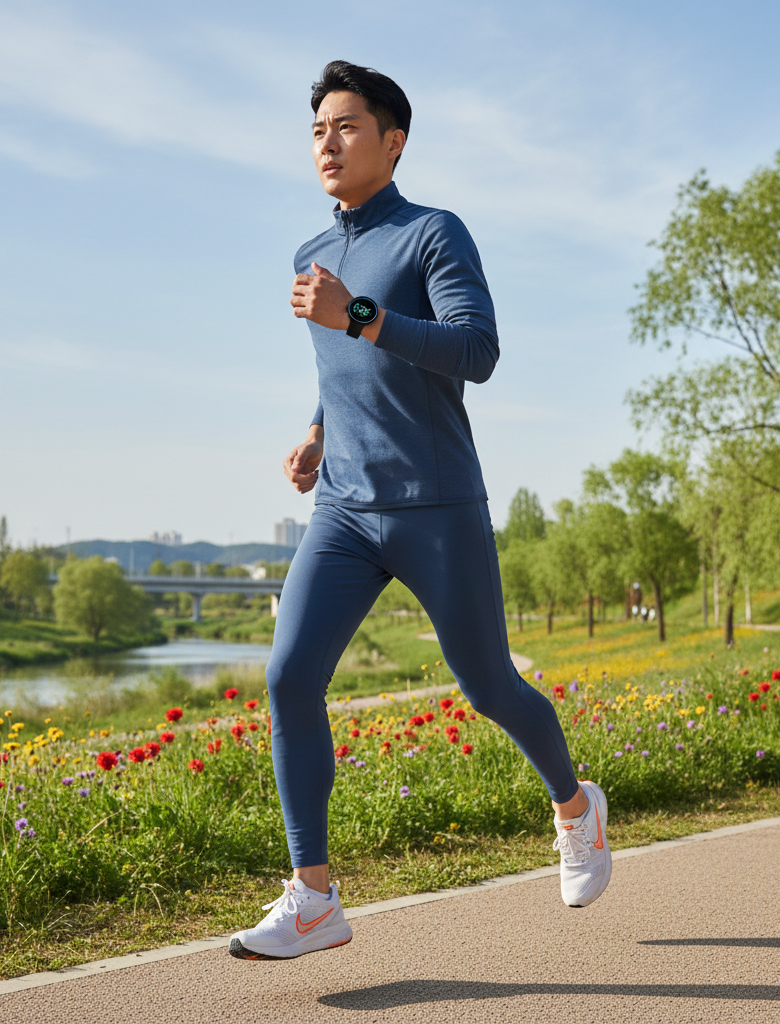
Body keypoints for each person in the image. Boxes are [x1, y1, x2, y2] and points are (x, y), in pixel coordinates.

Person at [228, 60, 611, 962]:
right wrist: (319, 432)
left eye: (347, 126)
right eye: (317, 128)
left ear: (393, 142)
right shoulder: (308, 256)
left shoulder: (434, 233)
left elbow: (475, 351)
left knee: (487, 686)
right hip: (346, 511)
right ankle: (313, 897)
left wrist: (355, 311)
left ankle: (573, 805)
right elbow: (350, 372)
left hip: (435, 503)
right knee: (288, 678)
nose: (328, 142)